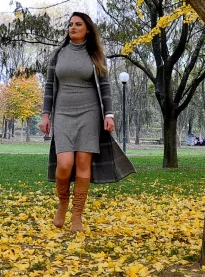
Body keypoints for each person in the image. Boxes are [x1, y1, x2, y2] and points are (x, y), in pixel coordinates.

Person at [39, 12, 135, 232]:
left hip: (89, 113)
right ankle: (63, 203)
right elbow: (49, 87)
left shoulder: (95, 55)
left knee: (83, 164)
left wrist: (109, 114)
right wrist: (46, 114)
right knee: (64, 164)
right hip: (63, 113)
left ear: (88, 29)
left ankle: (77, 216)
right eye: (70, 24)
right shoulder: (58, 54)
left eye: (78, 24)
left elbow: (106, 86)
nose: (72, 27)